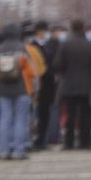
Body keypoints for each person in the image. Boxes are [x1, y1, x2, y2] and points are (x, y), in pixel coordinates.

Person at [52, 19, 91, 150]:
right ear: (83, 28)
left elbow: (57, 64)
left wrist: (65, 72)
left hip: (69, 85)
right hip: (87, 85)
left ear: (72, 29)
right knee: (86, 115)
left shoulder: (65, 45)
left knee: (71, 115)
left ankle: (69, 143)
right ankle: (85, 142)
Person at [0, 20, 39, 160]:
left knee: (5, 119)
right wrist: (34, 88)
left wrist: (0, 83)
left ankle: (3, 151)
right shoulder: (22, 48)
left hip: (3, 90)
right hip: (22, 88)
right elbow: (32, 71)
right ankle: (18, 151)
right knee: (21, 119)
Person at [32, 21, 61, 150]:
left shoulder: (47, 45)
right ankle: (38, 140)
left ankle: (42, 139)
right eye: (42, 30)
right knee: (38, 112)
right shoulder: (33, 45)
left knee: (45, 112)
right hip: (39, 83)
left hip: (48, 83)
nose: (44, 33)